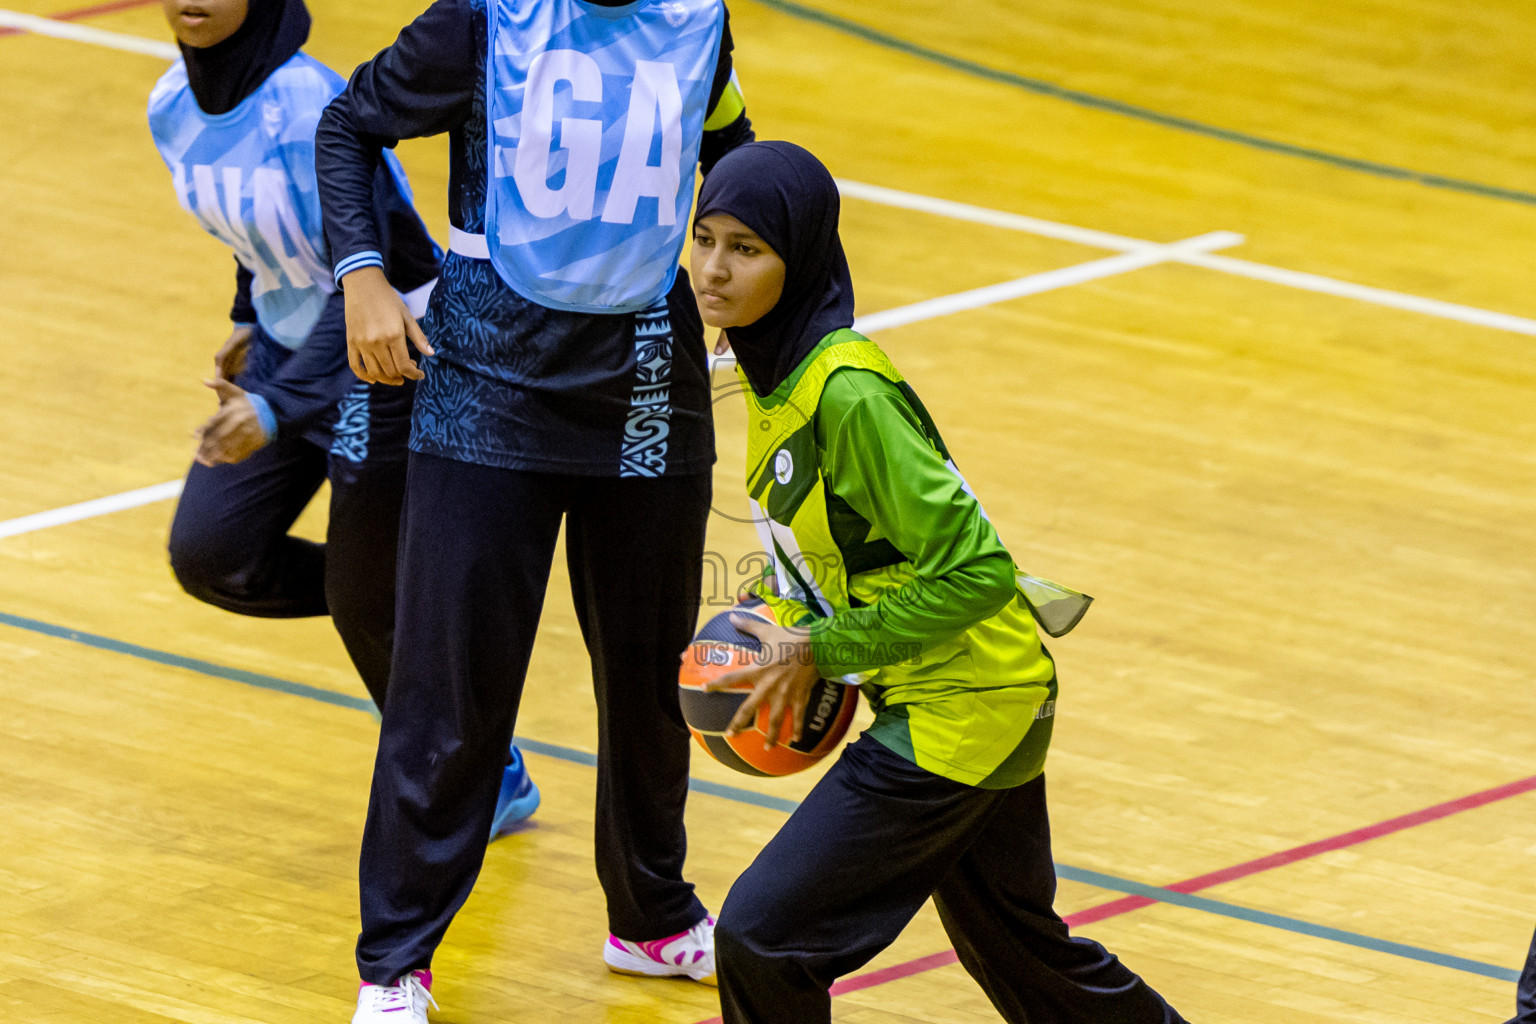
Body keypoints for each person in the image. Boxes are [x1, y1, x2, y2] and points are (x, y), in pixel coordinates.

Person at [313, 0, 754, 1018]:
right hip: (486, 388)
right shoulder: (486, 17)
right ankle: (394, 964)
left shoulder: (701, 21)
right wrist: (363, 276)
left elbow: (731, 143)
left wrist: (743, 270)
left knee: (650, 680)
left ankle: (650, 916)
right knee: (451, 690)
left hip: (648, 386)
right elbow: (348, 124)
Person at [688, 141, 1191, 1024]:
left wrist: (823, 648)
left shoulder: (846, 393)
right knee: (1016, 944)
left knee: (764, 935)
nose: (715, 272)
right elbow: (849, 553)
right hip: (957, 691)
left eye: (747, 249)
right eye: (706, 239)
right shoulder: (775, 376)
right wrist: (781, 617)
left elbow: (977, 570)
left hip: (964, 703)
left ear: (797, 257)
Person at [148, 0, 538, 838]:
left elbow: (389, 258)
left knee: (366, 595)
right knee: (213, 554)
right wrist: (253, 312)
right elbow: (256, 235)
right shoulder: (170, 109)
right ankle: (417, 613)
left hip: (387, 352)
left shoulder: (308, 106)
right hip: (291, 353)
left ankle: (484, 768)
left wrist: (279, 405)